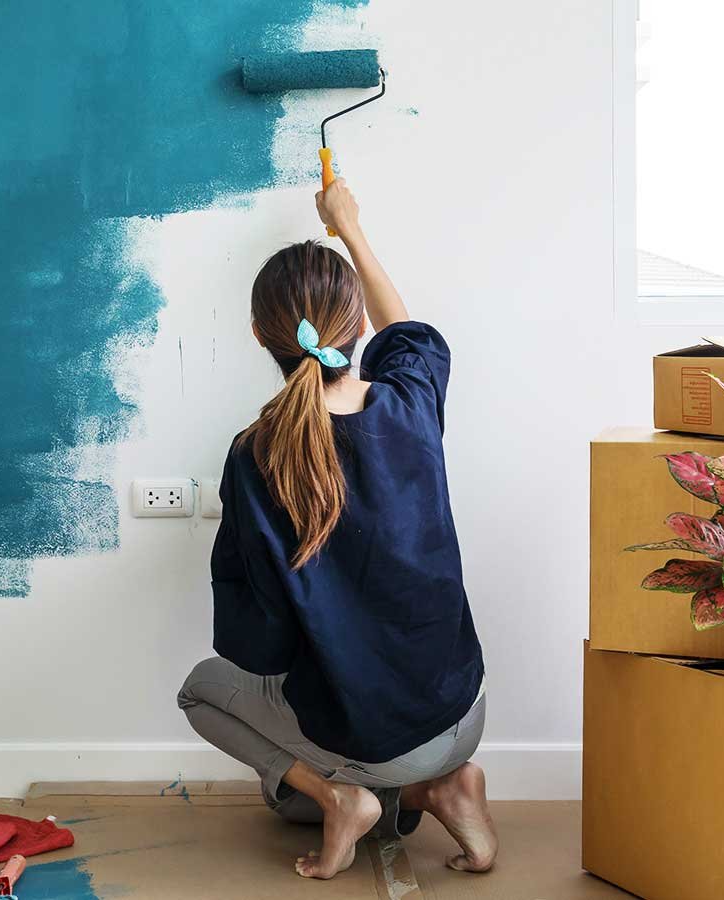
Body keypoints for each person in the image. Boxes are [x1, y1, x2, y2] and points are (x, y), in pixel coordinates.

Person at [177, 179, 494, 880]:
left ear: (261, 337)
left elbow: (256, 644)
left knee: (203, 693)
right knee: (328, 754)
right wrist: (349, 226)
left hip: (381, 739)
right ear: (356, 328)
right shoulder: (410, 405)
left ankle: (343, 795)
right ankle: (440, 784)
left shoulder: (254, 455)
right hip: (465, 709)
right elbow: (408, 334)